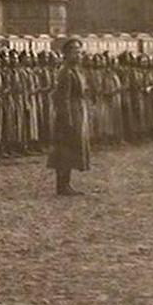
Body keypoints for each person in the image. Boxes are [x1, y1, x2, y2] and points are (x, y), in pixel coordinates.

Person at [48, 37, 92, 195]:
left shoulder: (75, 71)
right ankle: (62, 184)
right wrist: (68, 119)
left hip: (78, 111)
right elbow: (63, 98)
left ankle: (66, 183)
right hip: (70, 113)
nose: (79, 55)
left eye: (80, 51)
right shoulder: (65, 72)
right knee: (65, 149)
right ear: (67, 53)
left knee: (72, 148)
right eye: (75, 51)